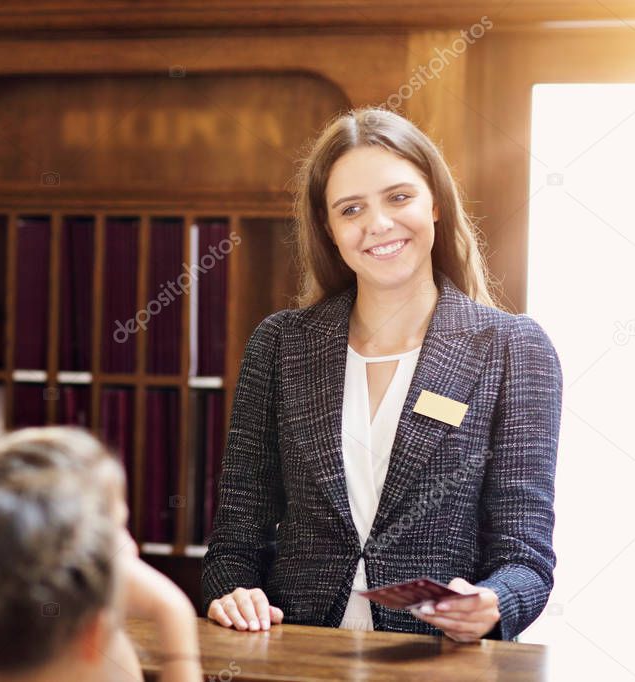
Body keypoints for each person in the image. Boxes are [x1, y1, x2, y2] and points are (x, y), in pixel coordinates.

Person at [202, 107, 562, 643]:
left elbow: (525, 558)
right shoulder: (280, 345)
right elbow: (234, 540)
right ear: (329, 228)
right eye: (352, 209)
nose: (378, 225)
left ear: (435, 201)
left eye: (399, 197)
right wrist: (233, 591)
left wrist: (493, 603)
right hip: (293, 659)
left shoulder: (513, 349)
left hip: (435, 665)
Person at [0, 427, 201, 682]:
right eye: (117, 528)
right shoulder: (100, 645)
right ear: (90, 634)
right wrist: (173, 612)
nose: (132, 548)